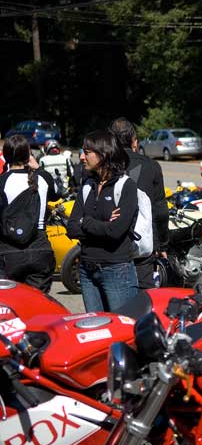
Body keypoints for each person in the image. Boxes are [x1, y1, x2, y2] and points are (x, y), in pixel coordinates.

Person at [66, 131, 139, 312]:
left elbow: (116, 232)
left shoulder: (125, 186)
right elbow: (72, 228)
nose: (82, 157)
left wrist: (86, 221)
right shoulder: (87, 185)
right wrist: (103, 225)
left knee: (122, 332)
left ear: (104, 153)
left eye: (87, 152)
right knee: (97, 333)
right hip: (86, 269)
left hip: (116, 270)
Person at [108, 118, 169, 291]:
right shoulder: (151, 166)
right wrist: (162, 245)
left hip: (110, 245)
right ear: (134, 141)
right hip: (143, 244)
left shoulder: (103, 165)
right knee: (143, 299)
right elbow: (161, 211)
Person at [0, 135, 60, 292]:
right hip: (41, 249)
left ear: (5, 155)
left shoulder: (3, 181)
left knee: (12, 309)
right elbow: (57, 194)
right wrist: (38, 168)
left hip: (9, 252)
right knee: (38, 308)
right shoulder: (42, 178)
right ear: (28, 155)